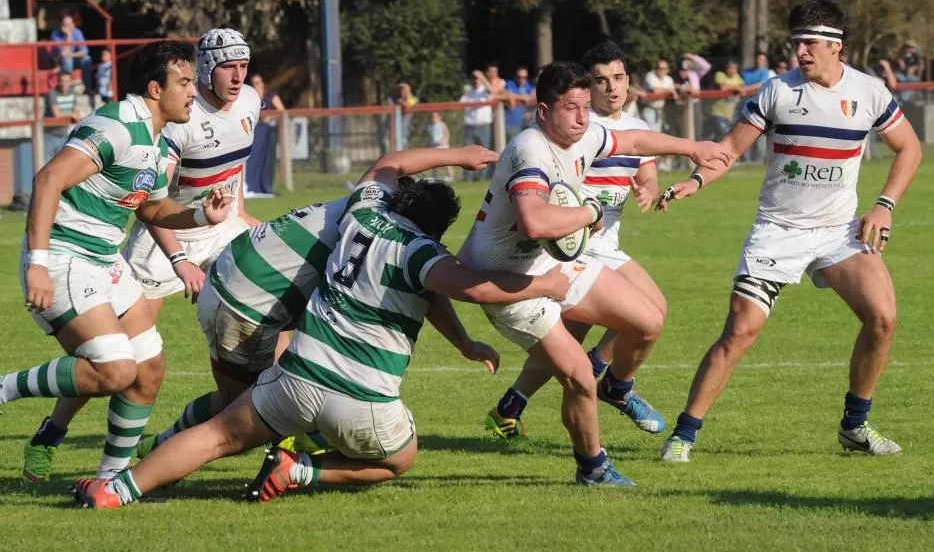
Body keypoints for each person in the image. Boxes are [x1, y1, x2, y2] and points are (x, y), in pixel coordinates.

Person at [71, 151, 572, 508]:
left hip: (296, 376)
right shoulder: (424, 254)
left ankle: (116, 490)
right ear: (437, 229)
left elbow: (388, 166)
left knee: (219, 433)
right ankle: (302, 471)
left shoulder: (362, 211)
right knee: (402, 458)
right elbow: (473, 286)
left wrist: (455, 154)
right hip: (362, 401)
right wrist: (542, 282)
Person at [656, 0, 922, 463]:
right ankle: (684, 433)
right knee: (741, 330)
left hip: (838, 230)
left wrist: (883, 206)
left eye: (809, 43)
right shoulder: (776, 92)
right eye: (796, 42)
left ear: (836, 47)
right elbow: (730, 150)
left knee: (883, 317)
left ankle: (855, 427)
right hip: (777, 230)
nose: (799, 51)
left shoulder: (870, 93)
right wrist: (695, 180)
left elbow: (910, 148)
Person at [458, 61, 732, 486]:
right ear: (544, 111)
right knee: (579, 375)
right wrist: (590, 211)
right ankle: (593, 467)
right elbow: (533, 222)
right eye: (572, 108)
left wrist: (690, 147)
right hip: (508, 282)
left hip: (552, 261)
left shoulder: (583, 134)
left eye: (586, 107)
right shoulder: (530, 149)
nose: (583, 118)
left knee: (647, 321)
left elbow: (633, 139)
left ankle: (616, 388)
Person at [136, 145, 496, 456]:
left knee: (277, 390)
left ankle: (302, 439)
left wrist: (458, 156)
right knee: (241, 412)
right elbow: (433, 289)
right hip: (246, 300)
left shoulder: (369, 201)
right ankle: (161, 450)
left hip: (241, 275)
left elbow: (392, 163)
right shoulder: (391, 238)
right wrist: (467, 342)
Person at [21, 27, 260, 483]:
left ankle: (120, 472)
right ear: (161, 87)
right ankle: (48, 429)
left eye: (243, 66)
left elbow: (182, 191)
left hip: (171, 238)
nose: (235, 76)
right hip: (117, 250)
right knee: (112, 363)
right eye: (187, 82)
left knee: (150, 364)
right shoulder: (138, 126)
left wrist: (220, 217)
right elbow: (62, 183)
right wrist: (179, 260)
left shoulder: (230, 108)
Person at [483, 41, 667, 440]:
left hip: (607, 241)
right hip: (577, 243)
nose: (611, 88)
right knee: (648, 311)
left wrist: (648, 192)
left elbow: (646, 171)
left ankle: (511, 404)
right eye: (601, 80)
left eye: (618, 78)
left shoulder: (638, 129)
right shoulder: (576, 130)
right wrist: (581, 215)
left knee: (573, 337)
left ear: (629, 81)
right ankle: (612, 386)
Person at [245, 73, 286, 198]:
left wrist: (270, 117)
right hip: (253, 131)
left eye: (258, 82)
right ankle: (251, 185)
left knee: (267, 159)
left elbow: (282, 111)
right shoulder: (249, 97)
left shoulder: (270, 96)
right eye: (253, 83)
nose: (255, 85)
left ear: (263, 83)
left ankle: (265, 186)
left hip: (267, 131)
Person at [459, 71, 494, 181]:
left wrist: (482, 77)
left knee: (484, 153)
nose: (476, 80)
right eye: (474, 78)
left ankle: (482, 178)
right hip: (470, 126)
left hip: (483, 126)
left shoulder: (485, 90)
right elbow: (460, 104)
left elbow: (492, 91)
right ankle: (468, 179)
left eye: (477, 78)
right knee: (466, 152)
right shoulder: (468, 92)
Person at [44, 71, 84, 164]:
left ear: (70, 82)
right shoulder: (52, 93)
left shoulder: (72, 92)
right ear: (58, 81)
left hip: (64, 135)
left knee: (61, 165)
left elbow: (76, 111)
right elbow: (57, 114)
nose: (64, 83)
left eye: (66, 81)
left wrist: (76, 115)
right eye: (61, 81)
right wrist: (71, 114)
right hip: (50, 135)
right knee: (47, 166)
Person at [50, 14, 93, 92]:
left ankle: (87, 88)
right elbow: (64, 53)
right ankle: (69, 89)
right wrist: (69, 35)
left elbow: (85, 51)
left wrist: (72, 55)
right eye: (64, 24)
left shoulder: (77, 32)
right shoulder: (55, 34)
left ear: (73, 25)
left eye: (69, 24)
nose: (66, 26)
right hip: (59, 60)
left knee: (87, 59)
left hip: (72, 58)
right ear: (61, 25)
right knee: (67, 59)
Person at [710, 60, 745, 140]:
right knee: (725, 135)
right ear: (726, 68)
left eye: (734, 68)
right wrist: (737, 87)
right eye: (730, 68)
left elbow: (742, 88)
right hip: (718, 112)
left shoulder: (737, 77)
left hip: (731, 114)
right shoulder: (720, 75)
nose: (732, 70)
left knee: (727, 136)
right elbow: (723, 87)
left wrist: (732, 87)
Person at [642, 59, 676, 132]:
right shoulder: (650, 75)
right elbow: (655, 90)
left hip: (660, 110)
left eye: (663, 68)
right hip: (649, 109)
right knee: (650, 134)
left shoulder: (669, 79)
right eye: (658, 68)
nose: (661, 70)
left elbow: (674, 93)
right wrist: (669, 90)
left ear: (667, 70)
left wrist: (669, 90)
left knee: (658, 134)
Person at [504, 66, 536, 138]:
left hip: (524, 124)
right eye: (519, 77)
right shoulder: (510, 83)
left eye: (524, 77)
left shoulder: (528, 85)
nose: (521, 79)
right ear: (515, 76)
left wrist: (515, 96)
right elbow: (507, 95)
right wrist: (522, 97)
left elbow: (532, 96)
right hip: (511, 124)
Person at [427, 111, 453, 182]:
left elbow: (447, 134)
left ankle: (451, 176)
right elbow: (429, 137)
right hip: (434, 147)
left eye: (436, 116)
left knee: (447, 161)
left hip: (443, 146)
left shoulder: (442, 124)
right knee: (433, 163)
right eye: (433, 117)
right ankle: (434, 177)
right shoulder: (430, 126)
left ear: (440, 117)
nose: (434, 118)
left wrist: (443, 141)